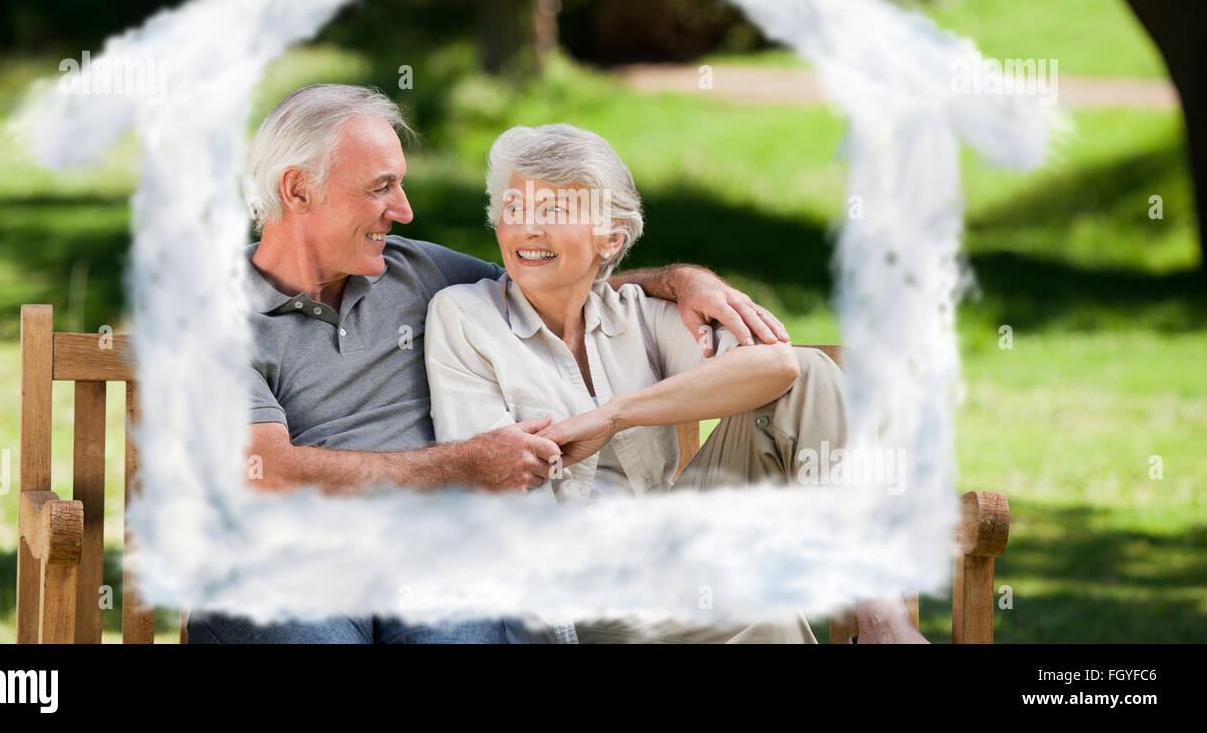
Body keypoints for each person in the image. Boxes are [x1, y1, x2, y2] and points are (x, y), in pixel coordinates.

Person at [184, 84, 792, 644]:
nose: (404, 210)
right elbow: (267, 475)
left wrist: (681, 280)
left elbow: (554, 276)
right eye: (380, 187)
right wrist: (463, 464)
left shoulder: (413, 271)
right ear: (297, 190)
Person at [424, 122, 929, 643]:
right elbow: (490, 484)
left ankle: (882, 622)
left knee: (811, 376)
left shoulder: (637, 315)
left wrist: (616, 414)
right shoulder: (464, 317)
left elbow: (779, 368)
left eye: (553, 212)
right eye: (514, 210)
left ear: (611, 237)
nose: (527, 229)